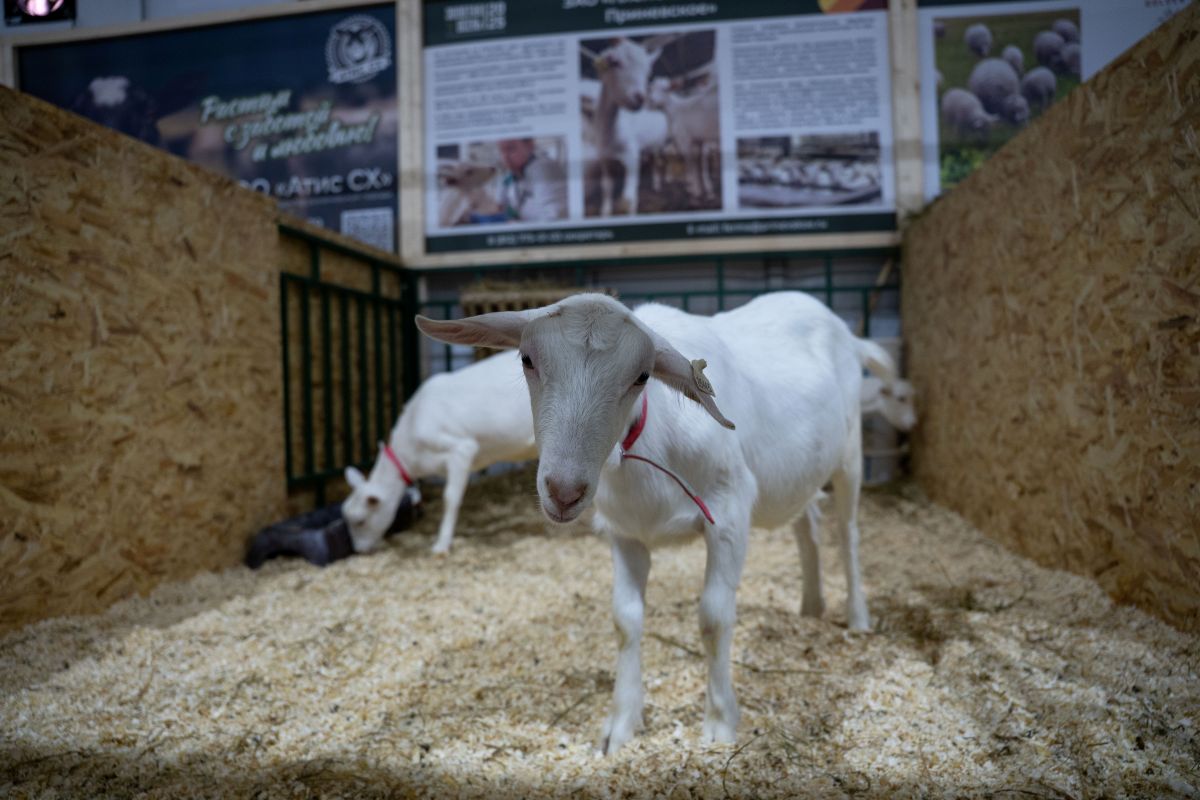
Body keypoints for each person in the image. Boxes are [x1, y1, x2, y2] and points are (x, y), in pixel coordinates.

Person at [495, 138, 568, 222]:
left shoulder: (543, 168)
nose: (505, 157)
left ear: (530, 145)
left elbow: (555, 217)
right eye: (501, 151)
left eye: (511, 149)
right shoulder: (510, 176)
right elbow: (498, 207)